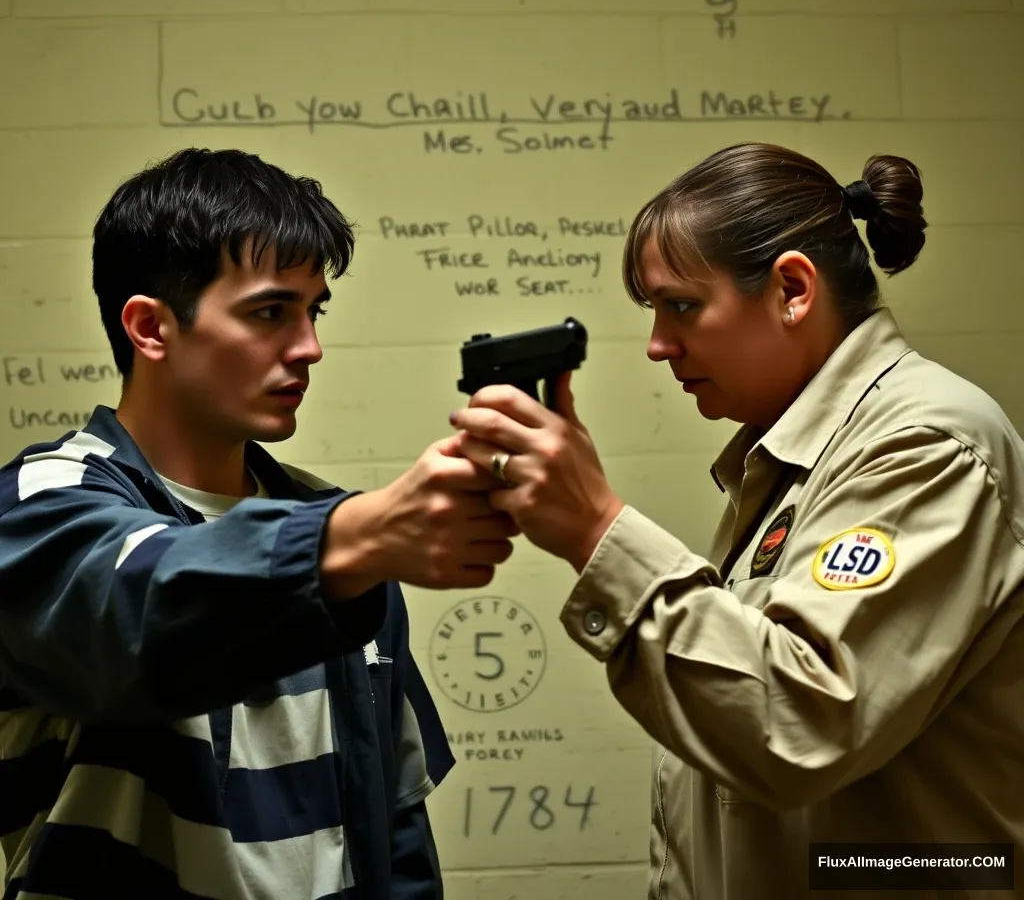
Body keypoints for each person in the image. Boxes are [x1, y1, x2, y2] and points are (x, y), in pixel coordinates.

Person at [449, 142, 1024, 899]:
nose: (658, 345)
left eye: (681, 306)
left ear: (791, 288)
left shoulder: (924, 446)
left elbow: (796, 725)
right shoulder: (796, 458)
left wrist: (595, 528)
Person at [0, 148, 517, 900]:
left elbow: (396, 827)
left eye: (315, 311)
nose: (309, 347)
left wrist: (356, 539)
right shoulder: (41, 502)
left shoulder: (339, 535)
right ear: (150, 327)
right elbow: (137, 615)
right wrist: (360, 536)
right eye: (271, 312)